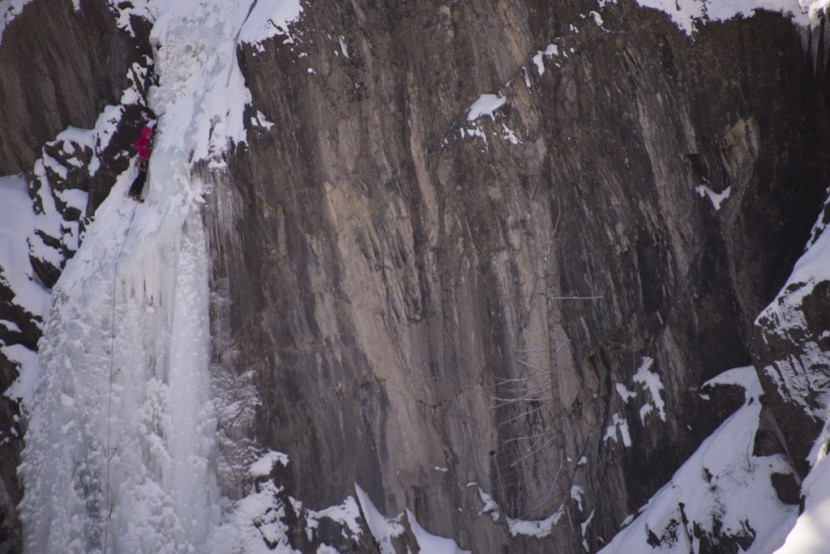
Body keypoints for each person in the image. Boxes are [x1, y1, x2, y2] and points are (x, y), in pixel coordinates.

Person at [129, 125, 154, 202]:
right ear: (144, 135)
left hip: (144, 161)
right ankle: (135, 192)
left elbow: (152, 133)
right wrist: (143, 147)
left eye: (149, 135)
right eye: (147, 135)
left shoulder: (147, 140)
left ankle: (134, 192)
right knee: (141, 177)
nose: (149, 136)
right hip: (142, 161)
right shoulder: (142, 140)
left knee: (142, 177)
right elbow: (135, 146)